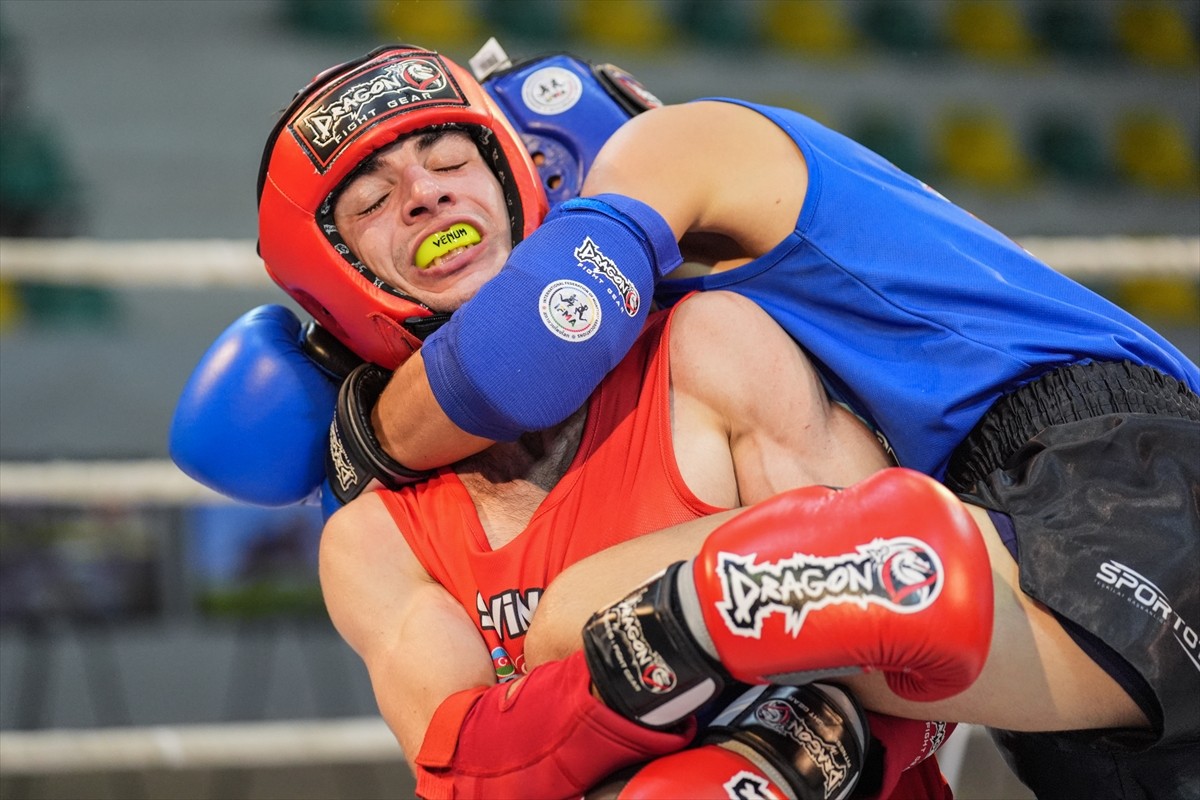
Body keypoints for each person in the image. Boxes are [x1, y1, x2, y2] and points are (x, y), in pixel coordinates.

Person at [175, 43, 1200, 798]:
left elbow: (893, 627)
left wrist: (770, 746)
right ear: (335, 271)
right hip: (1026, 543)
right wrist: (661, 697)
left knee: (595, 607)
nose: (424, 193)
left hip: (1083, 469)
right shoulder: (373, 536)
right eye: (371, 198)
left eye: (451, 155)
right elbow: (463, 768)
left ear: (527, 171)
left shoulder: (708, 327)